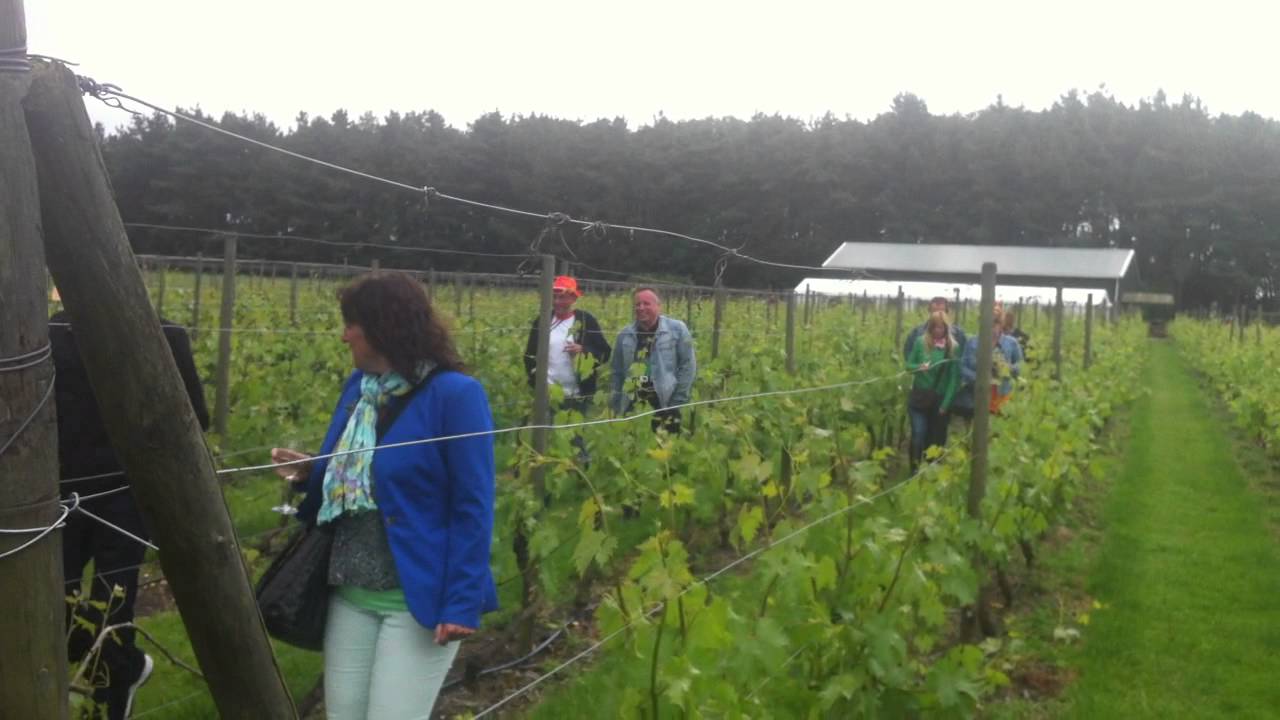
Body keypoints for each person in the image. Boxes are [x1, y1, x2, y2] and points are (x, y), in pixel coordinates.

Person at [271, 272, 497, 719]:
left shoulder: (456, 396)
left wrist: (462, 601)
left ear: (382, 326)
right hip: (350, 593)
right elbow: (357, 468)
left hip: (416, 602)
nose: (343, 335)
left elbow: (474, 504)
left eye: (350, 323)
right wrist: (310, 473)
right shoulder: (359, 389)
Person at [53, 309, 210, 720]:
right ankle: (125, 668)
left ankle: (111, 699)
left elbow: (195, 418)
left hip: (127, 496)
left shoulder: (164, 335)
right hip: (59, 494)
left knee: (112, 603)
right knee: (54, 607)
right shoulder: (48, 330)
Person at [610, 287, 696, 434]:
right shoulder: (624, 335)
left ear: (658, 306)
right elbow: (617, 371)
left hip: (665, 398)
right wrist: (616, 404)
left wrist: (676, 403)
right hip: (633, 400)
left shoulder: (677, 329)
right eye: (637, 304)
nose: (641, 308)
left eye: (646, 303)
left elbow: (688, 366)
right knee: (634, 443)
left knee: (665, 445)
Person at [522, 275, 611, 411]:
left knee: (575, 431)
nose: (557, 302)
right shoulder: (543, 321)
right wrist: (537, 383)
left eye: (562, 297)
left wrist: (584, 351)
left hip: (578, 395)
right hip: (547, 395)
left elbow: (605, 353)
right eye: (554, 297)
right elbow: (529, 356)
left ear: (574, 298)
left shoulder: (586, 321)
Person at [905, 311, 960, 472]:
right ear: (930, 327)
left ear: (946, 328)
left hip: (939, 399)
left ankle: (930, 471)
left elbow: (953, 378)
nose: (938, 330)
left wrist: (946, 403)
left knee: (934, 438)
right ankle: (914, 470)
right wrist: (919, 368)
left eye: (941, 327)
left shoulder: (953, 348)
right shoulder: (920, 342)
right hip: (920, 398)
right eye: (935, 327)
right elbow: (909, 366)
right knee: (918, 432)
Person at [961, 311, 1024, 416]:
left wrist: (1008, 368)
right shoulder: (972, 342)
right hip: (977, 395)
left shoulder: (1012, 343)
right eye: (985, 324)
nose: (990, 328)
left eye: (994, 324)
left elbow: (1021, 365)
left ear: (1000, 325)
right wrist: (979, 378)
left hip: (1003, 395)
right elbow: (963, 367)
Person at [902, 296, 967, 358]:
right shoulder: (917, 332)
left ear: (947, 313)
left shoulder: (958, 334)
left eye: (941, 312)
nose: (937, 315)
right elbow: (908, 353)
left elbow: (964, 355)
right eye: (934, 312)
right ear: (929, 312)